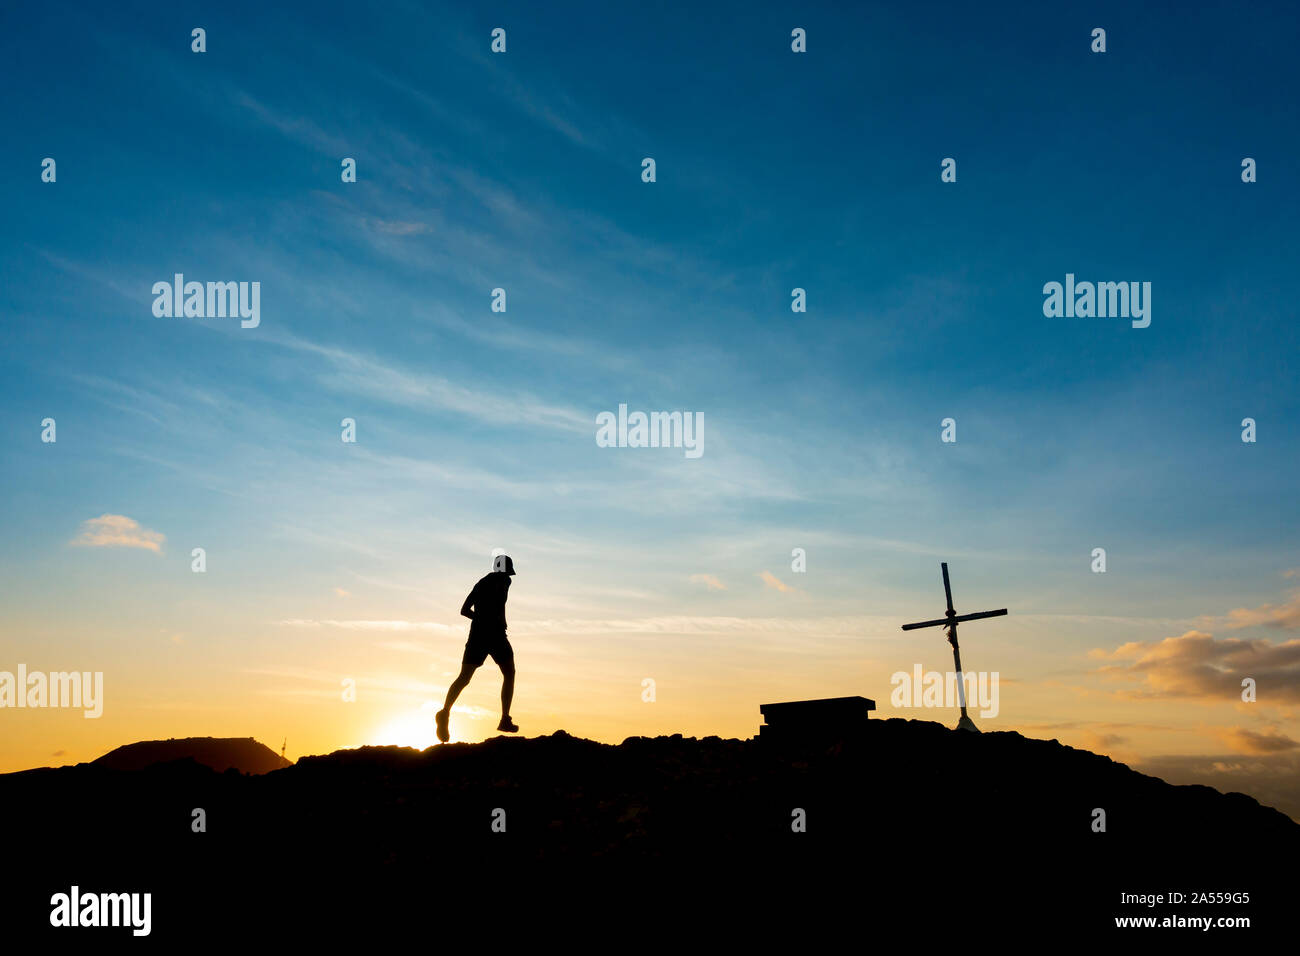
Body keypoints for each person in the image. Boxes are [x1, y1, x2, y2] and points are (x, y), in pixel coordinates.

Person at [436, 554, 518, 742]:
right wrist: (490, 621)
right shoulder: (502, 582)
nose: (509, 577)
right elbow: (467, 610)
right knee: (509, 673)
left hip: (480, 635)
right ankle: (504, 718)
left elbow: (468, 610)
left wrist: (496, 620)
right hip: (492, 635)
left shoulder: (487, 583)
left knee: (464, 678)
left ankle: (445, 712)